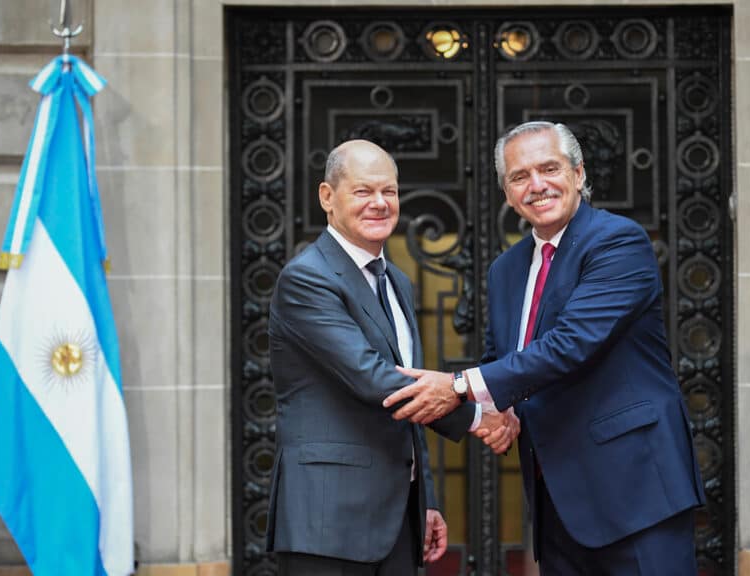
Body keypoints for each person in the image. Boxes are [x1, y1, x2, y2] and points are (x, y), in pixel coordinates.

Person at [385, 122, 706, 574]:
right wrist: (501, 412)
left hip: (636, 489)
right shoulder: (505, 269)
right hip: (557, 498)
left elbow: (571, 344)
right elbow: (503, 359)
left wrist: (457, 387)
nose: (536, 185)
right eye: (520, 177)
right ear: (507, 193)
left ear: (578, 173)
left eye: (549, 168)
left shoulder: (617, 241)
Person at [266, 139, 518, 575]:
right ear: (328, 197)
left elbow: (409, 395)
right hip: (329, 522)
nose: (380, 203)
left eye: (390, 191)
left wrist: (426, 500)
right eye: (363, 191)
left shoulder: (397, 281)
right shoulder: (307, 279)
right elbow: (374, 379)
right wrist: (479, 416)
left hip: (397, 517)